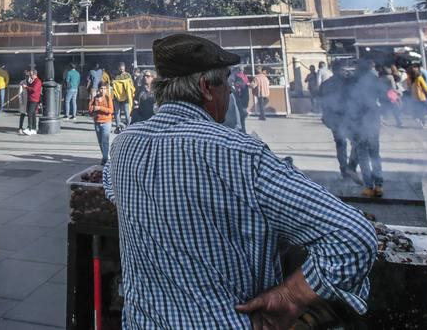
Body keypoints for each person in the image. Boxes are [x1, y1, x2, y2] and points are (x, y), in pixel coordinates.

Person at [103, 33, 376, 327]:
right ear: (207, 88)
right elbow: (353, 236)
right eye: (228, 84)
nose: (231, 93)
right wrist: (291, 296)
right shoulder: (242, 155)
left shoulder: (123, 146)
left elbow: (111, 186)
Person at [350, 60, 385, 198]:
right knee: (375, 153)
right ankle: (379, 185)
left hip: (358, 120)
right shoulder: (374, 79)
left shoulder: (354, 81)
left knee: (363, 154)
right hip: (373, 118)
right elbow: (386, 93)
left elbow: (347, 101)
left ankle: (369, 186)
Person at [319, 64, 359, 179]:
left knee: (341, 144)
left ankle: (344, 169)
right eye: (343, 70)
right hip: (347, 118)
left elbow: (321, 101)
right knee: (356, 142)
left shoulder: (326, 84)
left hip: (333, 119)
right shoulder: (347, 83)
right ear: (339, 70)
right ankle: (351, 167)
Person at [89, 81, 115, 163]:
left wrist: (100, 108)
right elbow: (90, 108)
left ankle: (105, 159)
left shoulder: (108, 98)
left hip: (106, 122)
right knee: (100, 142)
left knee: (105, 142)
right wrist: (93, 107)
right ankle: (104, 157)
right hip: (97, 122)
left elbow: (111, 110)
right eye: (101, 89)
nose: (103, 90)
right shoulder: (95, 97)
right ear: (98, 89)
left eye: (104, 89)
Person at [18, 67, 42, 135]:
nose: (30, 76)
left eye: (31, 75)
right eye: (29, 75)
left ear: (35, 74)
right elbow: (20, 93)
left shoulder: (37, 81)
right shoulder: (33, 80)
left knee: (30, 114)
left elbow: (34, 89)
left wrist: (26, 87)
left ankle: (30, 128)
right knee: (33, 114)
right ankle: (33, 129)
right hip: (30, 100)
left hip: (33, 99)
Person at [111, 64, 135, 129]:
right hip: (117, 96)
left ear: (124, 68)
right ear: (118, 68)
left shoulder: (128, 75)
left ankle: (129, 126)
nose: (121, 69)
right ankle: (118, 126)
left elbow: (131, 84)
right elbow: (112, 84)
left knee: (127, 112)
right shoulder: (115, 75)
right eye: (120, 68)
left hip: (126, 97)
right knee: (117, 112)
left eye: (122, 68)